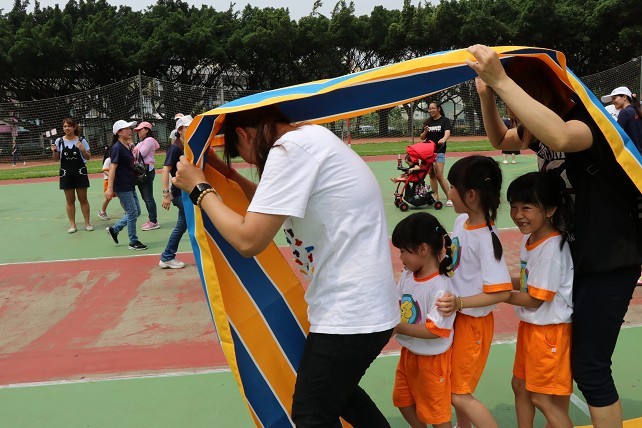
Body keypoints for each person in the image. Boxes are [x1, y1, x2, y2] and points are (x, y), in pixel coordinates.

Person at [172, 105, 399, 427]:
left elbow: (249, 240)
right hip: (360, 303)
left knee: (311, 415)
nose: (250, 163)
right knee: (343, 398)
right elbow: (269, 203)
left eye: (240, 156)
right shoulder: (309, 138)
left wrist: (200, 189)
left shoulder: (289, 151)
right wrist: (227, 174)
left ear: (243, 134)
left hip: (351, 310)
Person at [468, 44, 641, 426]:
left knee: (590, 366)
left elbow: (562, 138)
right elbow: (500, 140)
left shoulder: (585, 121)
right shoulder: (539, 127)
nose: (514, 109)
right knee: (565, 362)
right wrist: (487, 94)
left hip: (607, 258)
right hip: (574, 256)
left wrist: (501, 80)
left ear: (533, 89)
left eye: (516, 93)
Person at [435, 155, 512, 428]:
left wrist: (459, 303)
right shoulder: (461, 222)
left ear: (470, 194)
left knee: (458, 393)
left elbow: (501, 293)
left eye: (452, 187)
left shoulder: (487, 239)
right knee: (455, 386)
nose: (448, 193)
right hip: (458, 319)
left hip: (473, 325)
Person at [505, 172, 574, 428]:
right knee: (520, 385)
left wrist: (499, 294)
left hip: (549, 333)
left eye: (526, 208)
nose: (518, 214)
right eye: (513, 207)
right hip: (533, 328)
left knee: (541, 397)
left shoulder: (551, 249)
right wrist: (498, 282)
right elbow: (527, 282)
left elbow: (535, 299)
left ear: (550, 210)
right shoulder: (531, 239)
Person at [391, 212, 455, 428]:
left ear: (423, 249)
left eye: (403, 251)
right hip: (409, 354)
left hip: (432, 360)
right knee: (402, 400)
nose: (400, 257)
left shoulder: (440, 287)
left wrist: (397, 327)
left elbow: (434, 330)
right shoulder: (408, 275)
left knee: (436, 415)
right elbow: (397, 301)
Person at [105, 120, 148, 251]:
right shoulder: (117, 148)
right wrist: (110, 188)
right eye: (127, 129)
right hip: (122, 185)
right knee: (132, 212)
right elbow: (112, 168)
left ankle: (115, 229)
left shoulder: (125, 146)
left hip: (129, 183)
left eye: (130, 128)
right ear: (119, 132)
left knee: (136, 211)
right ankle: (133, 241)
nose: (130, 130)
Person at [158, 115, 192, 269]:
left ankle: (167, 256)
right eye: (188, 127)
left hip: (187, 192)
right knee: (201, 220)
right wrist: (166, 195)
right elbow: (165, 170)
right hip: (180, 194)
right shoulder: (175, 148)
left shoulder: (187, 146)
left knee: (182, 225)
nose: (191, 129)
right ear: (180, 129)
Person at [50, 118, 93, 233]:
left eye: (69, 126)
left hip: (80, 172)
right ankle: (73, 225)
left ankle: (87, 223)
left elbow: (88, 157)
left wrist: (83, 150)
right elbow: (56, 159)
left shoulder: (82, 140)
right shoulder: (59, 141)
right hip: (66, 173)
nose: (67, 128)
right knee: (70, 200)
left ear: (74, 127)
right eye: (64, 126)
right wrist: (54, 151)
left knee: (83, 199)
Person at [420, 102, 452, 206]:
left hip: (439, 152)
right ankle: (435, 196)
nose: (431, 110)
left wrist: (444, 139)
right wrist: (425, 131)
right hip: (429, 152)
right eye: (430, 109)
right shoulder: (427, 122)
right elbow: (422, 137)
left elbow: (447, 132)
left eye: (433, 108)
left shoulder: (445, 120)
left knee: (439, 175)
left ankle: (450, 198)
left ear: (438, 109)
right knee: (432, 175)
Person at [133, 121, 161, 231]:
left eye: (140, 130)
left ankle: (153, 221)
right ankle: (152, 219)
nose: (138, 132)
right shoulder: (142, 142)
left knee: (148, 197)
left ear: (147, 130)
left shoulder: (149, 140)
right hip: (142, 171)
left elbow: (139, 154)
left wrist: (133, 149)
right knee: (146, 197)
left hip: (147, 170)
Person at [601, 86, 642, 152]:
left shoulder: (624, 112)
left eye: (614, 98)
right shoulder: (636, 110)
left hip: (633, 153)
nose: (613, 102)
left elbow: (617, 134)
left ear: (624, 97)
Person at [98, 144, 113, 221]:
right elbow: (104, 170)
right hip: (108, 181)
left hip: (115, 181)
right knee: (108, 198)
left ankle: (127, 211)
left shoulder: (116, 159)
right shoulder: (108, 160)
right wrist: (111, 176)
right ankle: (102, 212)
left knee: (121, 196)